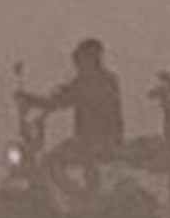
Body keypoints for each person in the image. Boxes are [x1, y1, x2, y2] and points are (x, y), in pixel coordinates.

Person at [18, 37, 125, 199]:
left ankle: (80, 196)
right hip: (99, 140)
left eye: (80, 60)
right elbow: (61, 98)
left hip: (95, 141)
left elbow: (59, 101)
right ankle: (86, 195)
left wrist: (31, 99)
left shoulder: (91, 82)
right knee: (85, 162)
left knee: (51, 161)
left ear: (90, 59)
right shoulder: (104, 80)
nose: (77, 65)